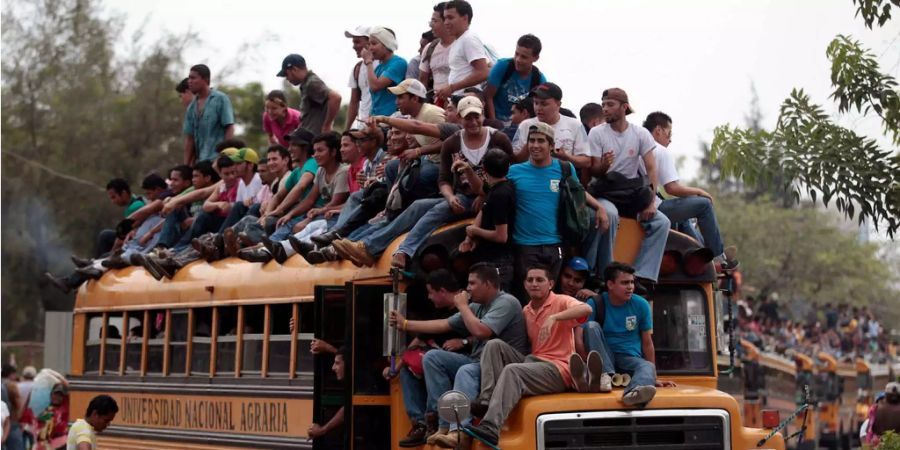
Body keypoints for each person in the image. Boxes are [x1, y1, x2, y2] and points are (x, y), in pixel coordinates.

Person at [332, 96, 513, 268]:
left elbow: (508, 173)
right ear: (459, 118)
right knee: (418, 205)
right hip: (463, 198)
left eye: (477, 116)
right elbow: (444, 179)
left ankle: (402, 251)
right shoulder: (452, 142)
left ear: (483, 115)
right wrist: (449, 197)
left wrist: (487, 196)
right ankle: (364, 247)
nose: (473, 122)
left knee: (437, 209)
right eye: (468, 118)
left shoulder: (498, 139)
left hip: (492, 198)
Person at [388, 263, 528, 448]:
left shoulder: (506, 302)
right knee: (432, 357)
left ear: (487, 284)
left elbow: (481, 331)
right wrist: (405, 324)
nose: (468, 288)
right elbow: (443, 324)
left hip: (500, 367)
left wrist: (462, 306)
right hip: (477, 361)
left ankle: (458, 430)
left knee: (466, 371)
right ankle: (443, 425)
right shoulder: (477, 305)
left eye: (472, 283)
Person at [464, 264, 591, 447]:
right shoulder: (526, 310)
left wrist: (554, 317)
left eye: (540, 280)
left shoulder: (561, 301)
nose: (534, 283)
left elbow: (586, 310)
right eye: (530, 280)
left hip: (558, 368)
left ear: (551, 284)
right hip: (534, 362)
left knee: (513, 371)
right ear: (524, 284)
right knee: (493, 345)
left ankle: (491, 427)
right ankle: (486, 400)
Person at [507, 122, 608, 296]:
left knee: (550, 299)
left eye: (540, 141)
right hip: (524, 245)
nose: (535, 145)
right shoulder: (514, 171)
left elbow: (578, 192)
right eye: (531, 141)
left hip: (555, 244)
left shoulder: (564, 168)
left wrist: (600, 207)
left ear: (552, 146)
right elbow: (492, 192)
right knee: (528, 297)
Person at [585, 88, 669, 291]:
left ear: (624, 107)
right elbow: (594, 170)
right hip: (606, 192)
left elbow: (651, 168)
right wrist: (604, 165)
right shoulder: (597, 133)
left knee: (662, 222)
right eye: (603, 104)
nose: (605, 109)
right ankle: (606, 274)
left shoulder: (639, 134)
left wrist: (650, 202)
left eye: (610, 104)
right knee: (610, 216)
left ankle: (642, 275)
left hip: (631, 194)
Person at [383, 270, 468, 447]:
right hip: (443, 363)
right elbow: (420, 337)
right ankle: (420, 423)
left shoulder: (467, 307)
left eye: (431, 292)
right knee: (410, 369)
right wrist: (395, 368)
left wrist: (464, 341)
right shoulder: (439, 312)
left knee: (432, 359)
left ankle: (436, 418)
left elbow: (485, 331)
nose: (429, 297)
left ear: (442, 291)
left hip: (466, 361)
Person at [577, 262, 666, 405]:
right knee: (591, 326)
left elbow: (647, 342)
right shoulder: (595, 303)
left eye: (632, 282)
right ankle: (603, 375)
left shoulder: (641, 304)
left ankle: (633, 393)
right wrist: (585, 360)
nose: (630, 286)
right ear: (610, 284)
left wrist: (653, 377)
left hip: (629, 358)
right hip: (604, 357)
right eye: (625, 283)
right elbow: (579, 334)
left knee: (648, 366)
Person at [643, 111, 724, 258]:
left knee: (684, 217)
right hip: (652, 208)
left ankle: (700, 252)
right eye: (669, 134)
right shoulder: (659, 150)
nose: (670, 140)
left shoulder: (636, 144)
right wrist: (699, 191)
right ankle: (718, 256)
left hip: (635, 205)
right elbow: (672, 188)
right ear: (658, 130)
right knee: (704, 205)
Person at [458, 149, 515, 290]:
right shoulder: (498, 188)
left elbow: (501, 236)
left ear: (484, 169)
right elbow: (484, 206)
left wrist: (475, 230)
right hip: (488, 258)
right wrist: (469, 238)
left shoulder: (500, 195)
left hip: (498, 262)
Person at [512, 83, 590, 169]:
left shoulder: (575, 125)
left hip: (561, 178)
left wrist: (566, 157)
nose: (538, 108)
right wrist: (530, 144)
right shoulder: (525, 125)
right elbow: (515, 159)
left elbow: (587, 161)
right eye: (536, 103)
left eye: (544, 104)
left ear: (558, 104)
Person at [484, 34, 545, 124]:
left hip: (520, 126)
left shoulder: (539, 79)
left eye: (524, 57)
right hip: (496, 120)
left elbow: (540, 108)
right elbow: (488, 96)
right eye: (516, 54)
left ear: (535, 58)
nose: (518, 59)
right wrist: (494, 124)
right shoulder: (503, 66)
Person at [182, 64, 235, 165]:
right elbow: (190, 138)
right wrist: (186, 166)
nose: (189, 81)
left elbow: (229, 127)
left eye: (193, 78)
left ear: (205, 79)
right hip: (201, 163)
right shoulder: (191, 107)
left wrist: (224, 157)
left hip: (217, 160)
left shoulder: (220, 99)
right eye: (189, 78)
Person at [437, 0, 490, 102]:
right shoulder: (460, 40)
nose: (446, 22)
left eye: (450, 18)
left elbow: (483, 72)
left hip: (467, 101)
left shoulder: (469, 39)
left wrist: (452, 88)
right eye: (445, 18)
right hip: (459, 100)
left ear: (465, 18)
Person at [277, 54, 342, 134]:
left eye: (286, 74)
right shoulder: (306, 84)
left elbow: (336, 98)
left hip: (315, 138)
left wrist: (327, 125)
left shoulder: (312, 83)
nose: (287, 78)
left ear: (294, 69)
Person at [362, 27, 407, 117]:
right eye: (369, 44)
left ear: (386, 44)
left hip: (390, 119)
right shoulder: (378, 67)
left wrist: (368, 61)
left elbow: (375, 86)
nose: (370, 48)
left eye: (374, 44)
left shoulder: (399, 63)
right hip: (376, 118)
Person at [308, 348, 347, 440]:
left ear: (349, 364)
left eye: (337, 363)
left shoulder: (360, 385)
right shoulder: (352, 383)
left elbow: (347, 409)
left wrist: (322, 430)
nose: (333, 367)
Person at [419, 3, 454, 103]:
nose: (430, 24)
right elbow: (422, 80)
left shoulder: (463, 44)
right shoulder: (430, 48)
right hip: (437, 103)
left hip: (460, 104)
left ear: (446, 21)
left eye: (434, 21)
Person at [344, 26, 374, 130]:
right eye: (353, 42)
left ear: (369, 42)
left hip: (383, 124)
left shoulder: (384, 64)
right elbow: (354, 102)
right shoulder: (357, 68)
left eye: (357, 42)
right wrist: (346, 130)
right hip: (363, 126)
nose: (354, 46)